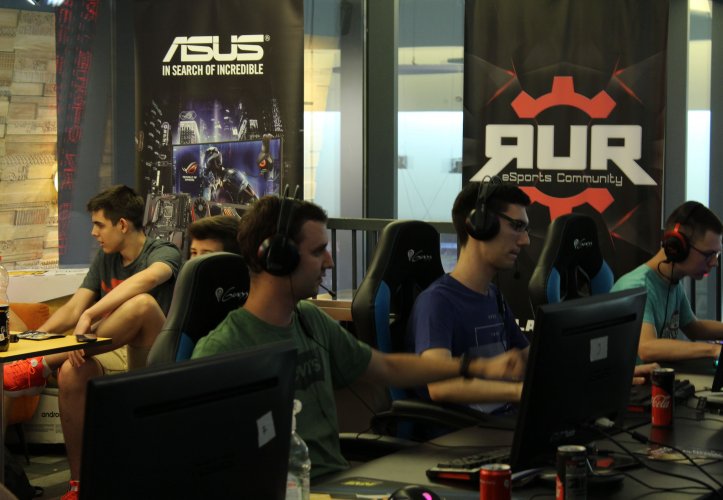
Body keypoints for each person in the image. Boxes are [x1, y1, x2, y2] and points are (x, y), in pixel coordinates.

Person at [191, 194, 525, 480]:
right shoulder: (223, 350)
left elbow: (388, 368)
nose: (329, 262)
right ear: (278, 258)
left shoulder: (310, 320)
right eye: (318, 251)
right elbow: (207, 463)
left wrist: (474, 366)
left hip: (336, 481)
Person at [3, 185, 182, 500]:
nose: (93, 233)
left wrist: (90, 315)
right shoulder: (105, 258)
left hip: (151, 351)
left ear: (122, 224)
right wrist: (34, 341)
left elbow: (149, 279)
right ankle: (79, 484)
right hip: (107, 346)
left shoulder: (163, 251)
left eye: (99, 224)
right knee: (72, 372)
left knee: (141, 303)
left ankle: (44, 364)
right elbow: (74, 308)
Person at [407, 181, 531, 414]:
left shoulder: (494, 296)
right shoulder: (437, 302)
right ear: (479, 225)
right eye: (517, 226)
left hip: (503, 424)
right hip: (463, 432)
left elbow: (528, 358)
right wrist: (517, 392)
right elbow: (440, 386)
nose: (525, 240)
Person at [611, 201, 723, 363]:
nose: (714, 263)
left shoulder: (672, 281)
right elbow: (646, 348)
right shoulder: (636, 287)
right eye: (709, 254)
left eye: (717, 255)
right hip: (635, 380)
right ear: (678, 247)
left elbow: (693, 327)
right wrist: (714, 350)